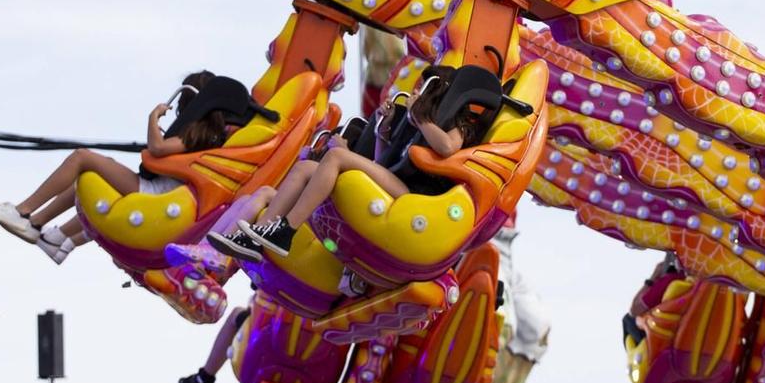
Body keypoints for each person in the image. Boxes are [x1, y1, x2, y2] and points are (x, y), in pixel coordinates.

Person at [210, 65, 527, 263]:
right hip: (395, 178)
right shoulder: (418, 119)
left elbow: (446, 147)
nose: (417, 92)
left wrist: (420, 119)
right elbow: (383, 160)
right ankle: (263, 231)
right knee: (306, 168)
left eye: (425, 87)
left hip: (416, 194)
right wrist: (386, 127)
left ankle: (286, 230)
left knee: (336, 157)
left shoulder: (456, 123)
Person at [0, 72, 253, 264]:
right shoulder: (214, 136)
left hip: (155, 193)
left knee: (81, 158)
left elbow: (156, 150)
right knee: (87, 178)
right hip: (163, 191)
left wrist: (153, 118)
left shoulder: (196, 133)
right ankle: (53, 238)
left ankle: (24, 212)